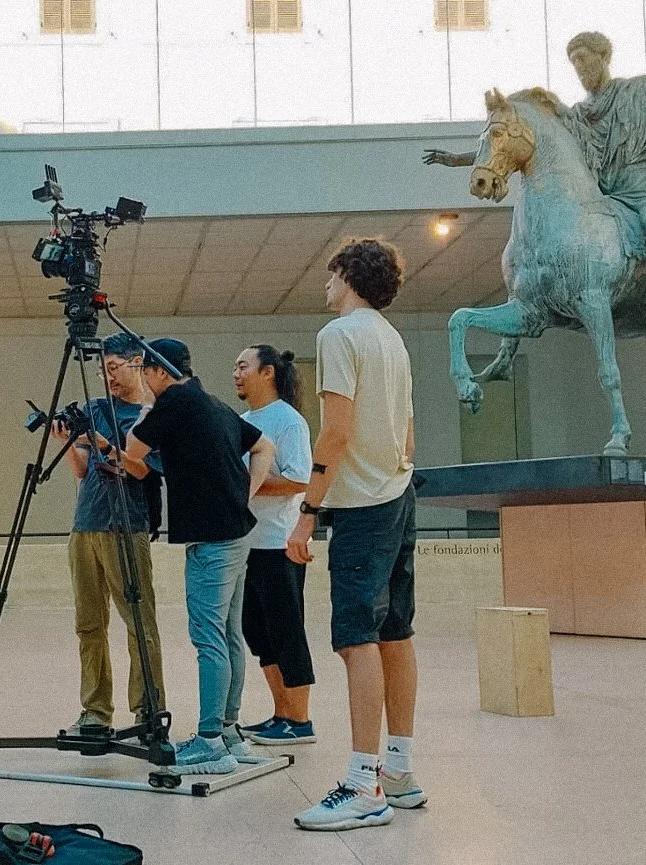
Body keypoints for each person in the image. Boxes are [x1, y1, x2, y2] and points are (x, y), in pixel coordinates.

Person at [424, 31, 646, 343]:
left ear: (603, 57)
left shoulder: (644, 89)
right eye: (573, 63)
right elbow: (522, 140)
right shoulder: (580, 114)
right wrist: (462, 160)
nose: (579, 69)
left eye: (583, 60)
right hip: (619, 194)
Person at [287, 238, 426, 831]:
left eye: (330, 273)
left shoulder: (338, 336)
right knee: (395, 632)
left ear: (346, 274)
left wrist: (308, 511)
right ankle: (397, 770)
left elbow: (335, 432)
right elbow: (409, 438)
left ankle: (362, 783)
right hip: (400, 494)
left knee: (356, 640)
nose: (325, 284)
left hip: (364, 507)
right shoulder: (391, 340)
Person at [122, 338, 273, 775]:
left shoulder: (173, 402)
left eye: (143, 372)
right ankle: (228, 732)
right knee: (228, 636)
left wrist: (150, 405)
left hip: (212, 540)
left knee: (209, 638)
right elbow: (265, 448)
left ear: (158, 372)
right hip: (236, 532)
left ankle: (209, 742)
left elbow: (133, 450)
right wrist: (244, 494)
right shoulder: (215, 405)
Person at [48, 332, 166, 736]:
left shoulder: (150, 414)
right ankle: (95, 710)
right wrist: (68, 443)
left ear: (136, 363)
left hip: (126, 525)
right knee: (89, 623)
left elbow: (140, 469)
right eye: (102, 370)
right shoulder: (97, 408)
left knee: (139, 622)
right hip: (86, 525)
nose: (108, 377)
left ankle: (148, 710)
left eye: (113, 368)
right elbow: (82, 470)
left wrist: (102, 443)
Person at [230, 345, 317, 746]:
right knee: (256, 631)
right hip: (247, 544)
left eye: (243, 366)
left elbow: (300, 480)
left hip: (278, 544)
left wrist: (246, 486)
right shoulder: (243, 421)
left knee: (286, 631)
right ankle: (281, 713)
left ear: (267, 373)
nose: (236, 373)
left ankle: (300, 721)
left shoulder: (289, 422)